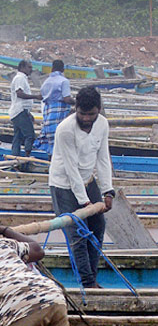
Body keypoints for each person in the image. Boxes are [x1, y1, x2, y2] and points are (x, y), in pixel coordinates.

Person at [47, 86, 113, 288]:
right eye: (82, 114)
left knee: (97, 227)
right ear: (76, 109)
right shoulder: (65, 130)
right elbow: (70, 168)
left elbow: (103, 159)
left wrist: (107, 191)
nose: (86, 118)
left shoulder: (102, 124)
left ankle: (92, 277)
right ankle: (87, 283)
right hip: (64, 185)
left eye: (90, 114)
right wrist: (84, 202)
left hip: (87, 180)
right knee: (77, 234)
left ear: (99, 109)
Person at [0, 222, 81, 326]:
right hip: (51, 296)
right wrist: (5, 230)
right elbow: (37, 249)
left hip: (18, 304)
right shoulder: (4, 244)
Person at [8, 59, 40, 164]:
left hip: (18, 111)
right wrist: (35, 96)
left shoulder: (22, 78)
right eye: (29, 67)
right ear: (22, 68)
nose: (31, 69)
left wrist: (29, 113)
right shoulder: (20, 78)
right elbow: (20, 94)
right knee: (30, 134)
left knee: (18, 136)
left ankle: (14, 158)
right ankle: (27, 157)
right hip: (20, 111)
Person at [39, 60, 73, 146]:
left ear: (52, 68)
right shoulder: (64, 81)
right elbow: (67, 99)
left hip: (47, 112)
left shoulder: (46, 81)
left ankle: (50, 158)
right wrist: (78, 102)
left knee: (50, 138)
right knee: (59, 137)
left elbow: (41, 96)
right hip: (59, 112)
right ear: (63, 69)